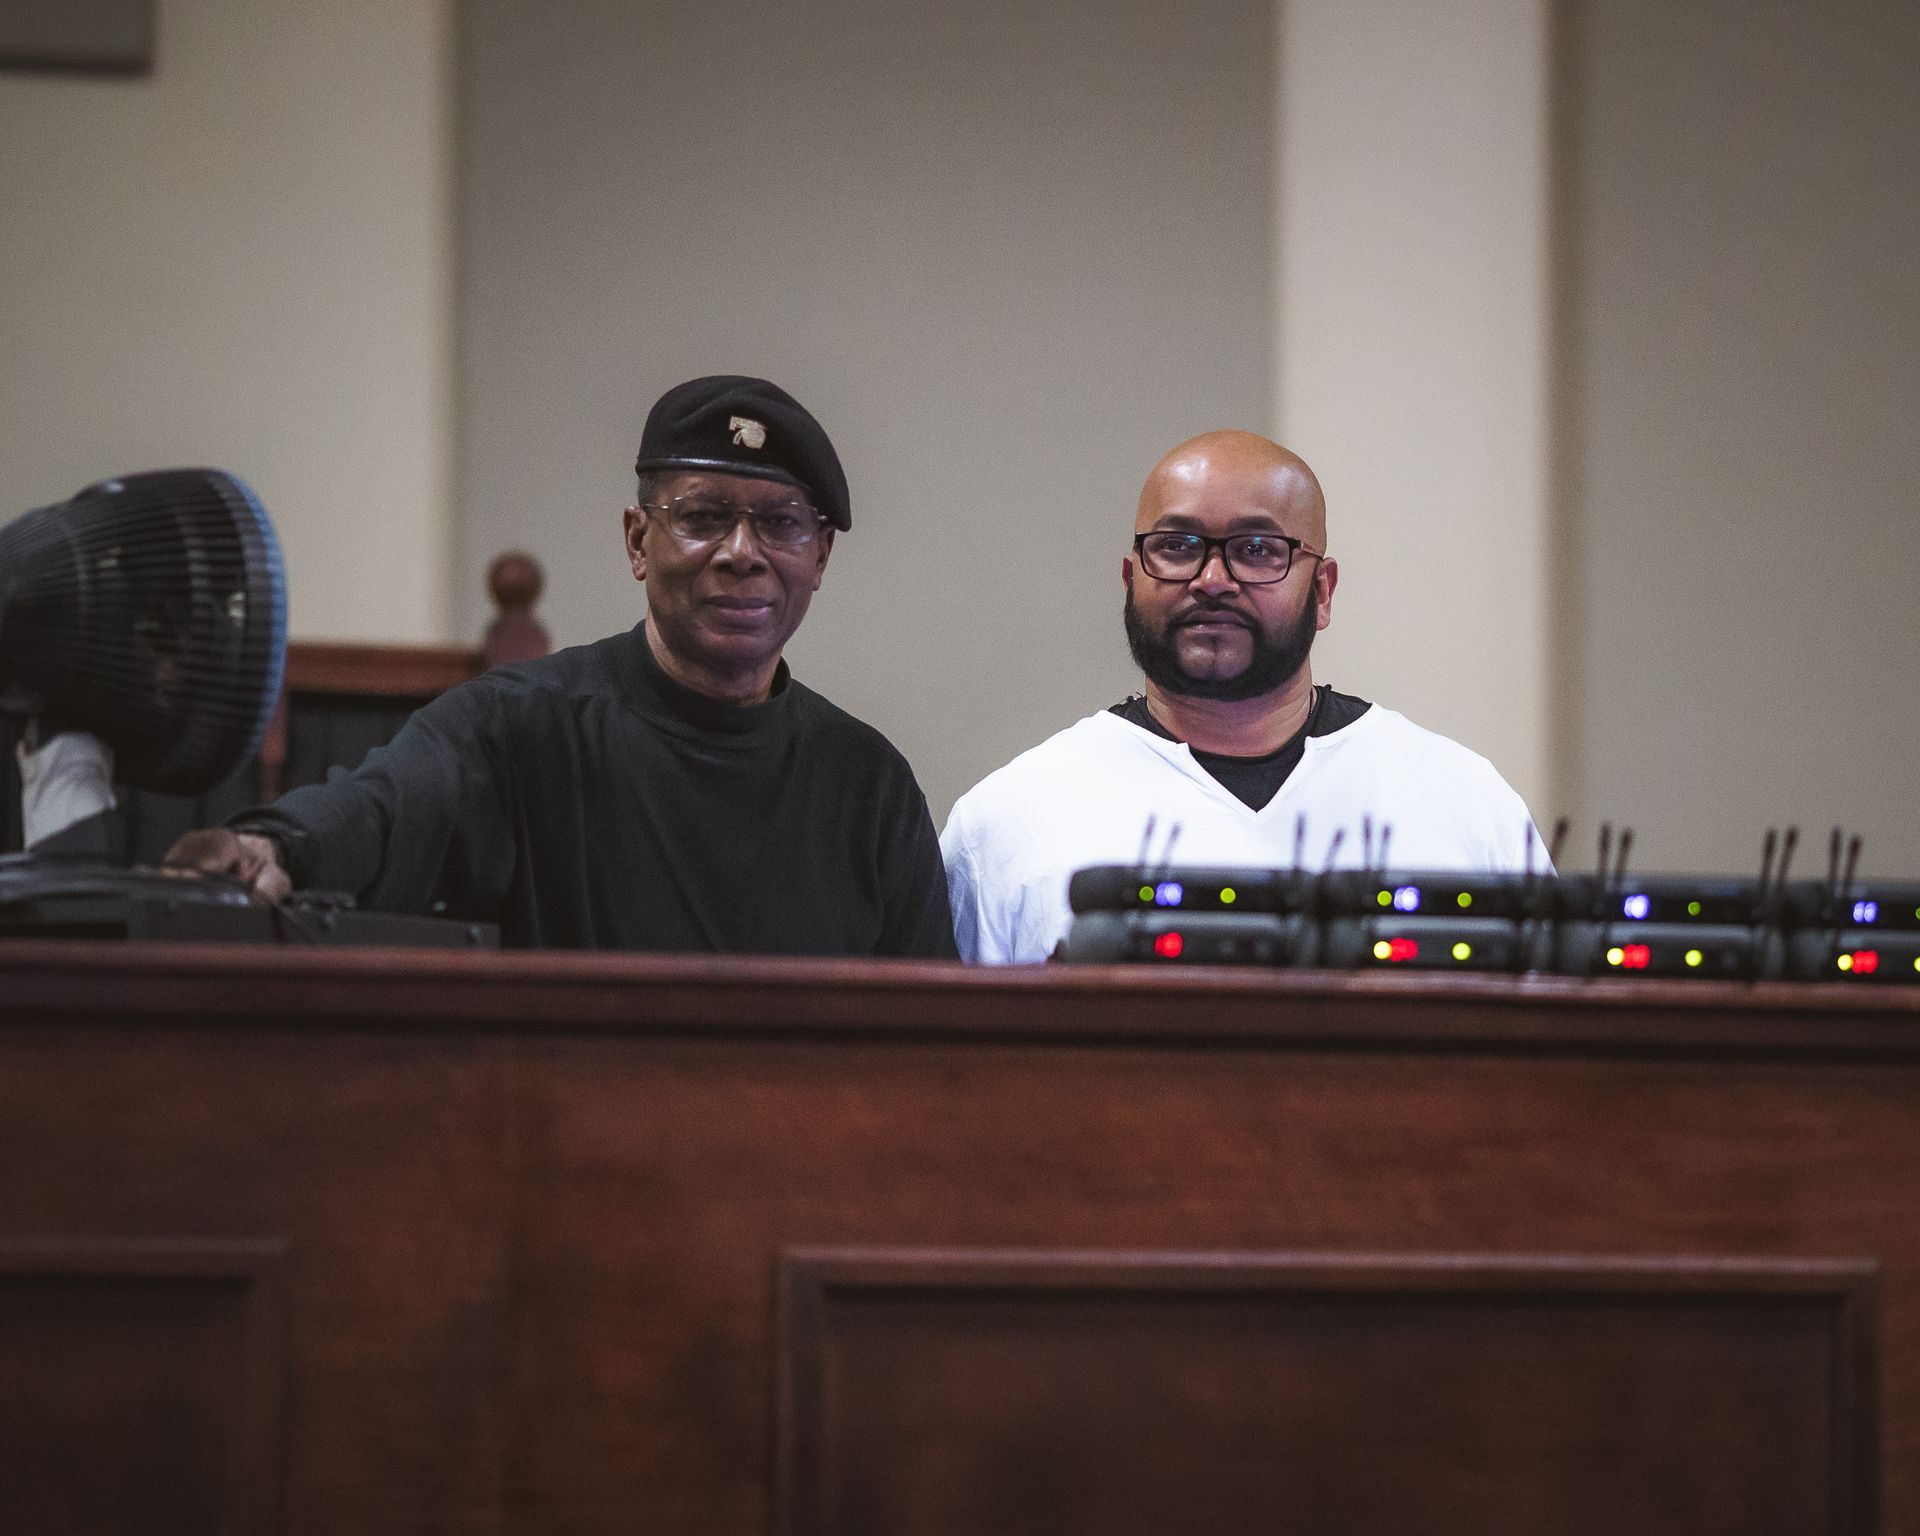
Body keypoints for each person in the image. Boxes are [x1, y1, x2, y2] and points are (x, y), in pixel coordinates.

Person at [168, 375, 957, 956]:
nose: (742, 554)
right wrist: (269, 848)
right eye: (704, 516)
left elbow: (930, 1053)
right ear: (637, 541)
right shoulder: (519, 727)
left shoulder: (869, 787)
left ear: (818, 557)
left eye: (780, 524)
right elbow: (376, 812)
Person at [941, 429, 1542, 964]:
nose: (1212, 579)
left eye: (1258, 550)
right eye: (1176, 547)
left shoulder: (1461, 801)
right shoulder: (1007, 823)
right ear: (1131, 579)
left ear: (1323, 591)